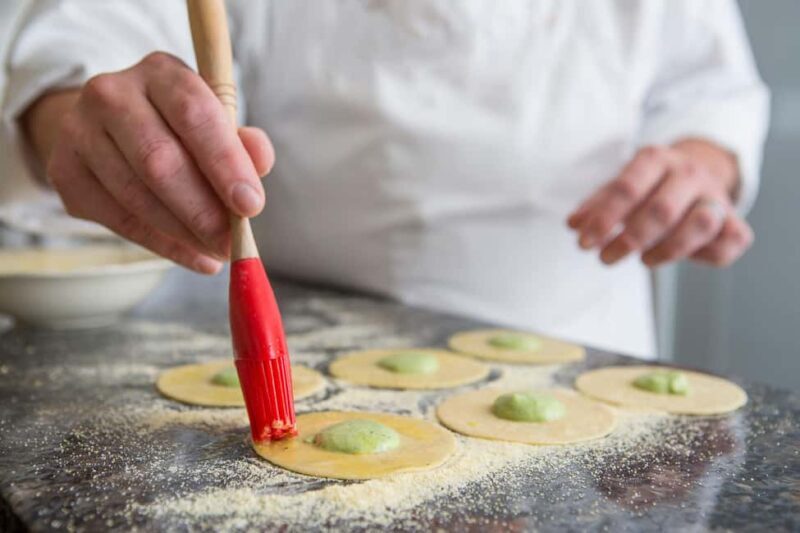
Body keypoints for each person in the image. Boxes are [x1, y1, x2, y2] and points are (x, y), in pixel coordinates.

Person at [0, 1, 769, 357]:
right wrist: (75, 115)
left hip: (587, 351)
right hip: (319, 351)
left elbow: (709, 85)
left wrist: (700, 162)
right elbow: (91, 36)